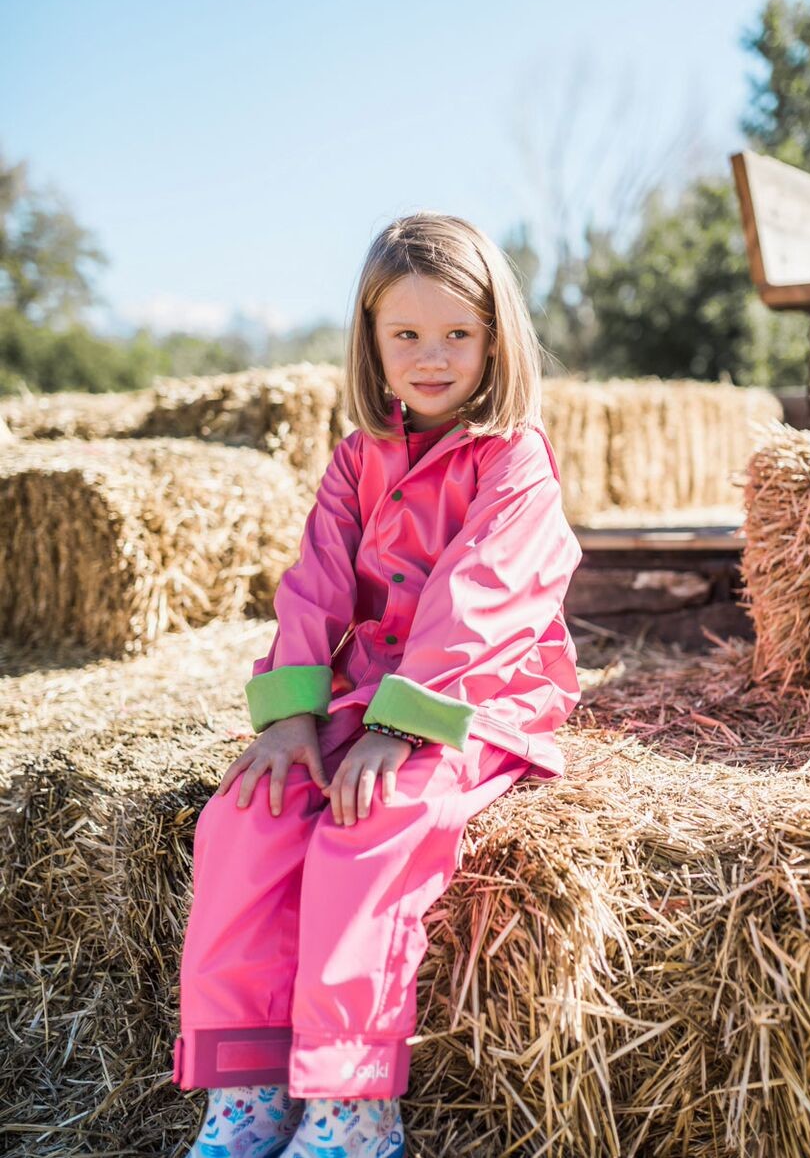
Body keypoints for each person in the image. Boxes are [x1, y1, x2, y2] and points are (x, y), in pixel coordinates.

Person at [171, 212, 583, 1158]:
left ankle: (353, 1112)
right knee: (247, 812)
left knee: (377, 817)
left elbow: (482, 596)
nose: (431, 356)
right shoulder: (359, 458)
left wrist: (402, 729)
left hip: (473, 692)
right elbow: (315, 584)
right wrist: (291, 717)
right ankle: (247, 1093)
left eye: (456, 335)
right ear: (372, 342)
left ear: (495, 339)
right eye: (407, 335)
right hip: (370, 686)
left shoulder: (513, 457)